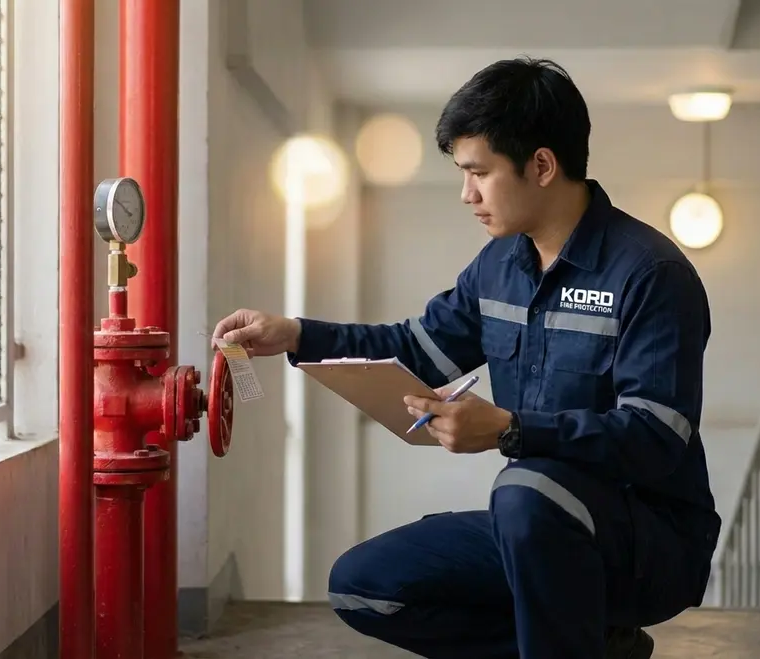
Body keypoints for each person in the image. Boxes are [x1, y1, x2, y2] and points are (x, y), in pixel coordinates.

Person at [211, 57, 721, 659]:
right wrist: (296, 334)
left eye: (479, 172)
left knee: (526, 485)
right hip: (534, 527)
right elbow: (415, 351)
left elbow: (656, 436)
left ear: (541, 165)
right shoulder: (498, 267)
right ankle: (599, 646)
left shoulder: (651, 274)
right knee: (365, 587)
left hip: (647, 544)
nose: (466, 194)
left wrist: (510, 429)